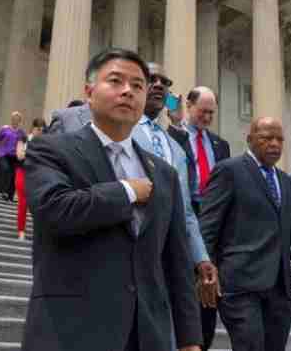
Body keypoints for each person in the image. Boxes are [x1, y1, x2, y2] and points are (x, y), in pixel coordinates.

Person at [21, 49, 202, 351]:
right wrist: (127, 191)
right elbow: (55, 210)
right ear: (89, 92)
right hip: (70, 329)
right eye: (116, 81)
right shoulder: (50, 150)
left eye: (137, 85)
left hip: (145, 335)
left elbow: (177, 261)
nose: (128, 91)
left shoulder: (165, 174)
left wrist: (190, 339)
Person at [200, 117, 291, 351]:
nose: (274, 144)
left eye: (279, 139)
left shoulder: (285, 181)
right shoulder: (229, 170)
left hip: (278, 288)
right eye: (267, 138)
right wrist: (204, 268)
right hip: (239, 285)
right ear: (250, 140)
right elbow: (208, 226)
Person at [133, 64, 219, 349]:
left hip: (168, 255)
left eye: (164, 82)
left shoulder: (176, 148)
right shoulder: (119, 130)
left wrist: (201, 257)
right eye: (150, 79)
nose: (158, 84)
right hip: (127, 251)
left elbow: (184, 210)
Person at [173, 86, 230, 351]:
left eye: (211, 113)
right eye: (202, 111)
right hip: (184, 214)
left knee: (208, 289)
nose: (207, 117)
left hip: (213, 219)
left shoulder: (220, 145)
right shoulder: (172, 137)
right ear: (189, 106)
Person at [15, 118, 45, 240]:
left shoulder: (45, 142)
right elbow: (20, 155)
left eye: (43, 130)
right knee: (23, 202)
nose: (40, 132)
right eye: (38, 129)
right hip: (23, 172)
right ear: (33, 128)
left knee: (37, 203)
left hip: (37, 174)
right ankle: (21, 231)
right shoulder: (24, 138)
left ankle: (38, 232)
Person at [0, 112, 27, 202]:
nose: (15, 120)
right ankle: (4, 191)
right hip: (4, 154)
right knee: (6, 169)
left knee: (14, 174)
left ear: (20, 121)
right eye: (14, 118)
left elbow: (24, 144)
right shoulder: (5, 129)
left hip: (15, 157)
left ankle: (11, 195)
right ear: (11, 119)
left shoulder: (22, 133)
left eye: (17, 119)